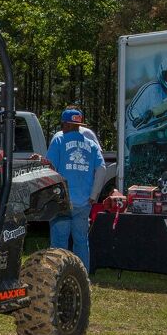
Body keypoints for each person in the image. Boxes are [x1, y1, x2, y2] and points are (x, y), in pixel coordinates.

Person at [46, 109, 106, 271]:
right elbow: (101, 170)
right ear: (79, 126)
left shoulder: (59, 141)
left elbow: (50, 168)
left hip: (62, 201)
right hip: (84, 202)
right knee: (81, 241)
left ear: (65, 124)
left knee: (59, 243)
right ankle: (82, 277)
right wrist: (94, 195)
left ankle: (57, 276)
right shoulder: (92, 145)